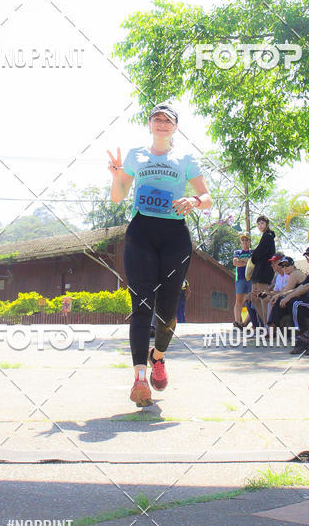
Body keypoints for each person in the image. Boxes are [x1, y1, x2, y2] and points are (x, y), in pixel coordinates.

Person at [108, 103, 212, 406]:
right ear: (150, 124)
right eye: (157, 119)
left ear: (175, 127)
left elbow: (207, 197)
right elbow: (118, 196)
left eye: (168, 120)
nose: (162, 123)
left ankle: (158, 357)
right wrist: (116, 176)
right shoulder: (136, 155)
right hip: (141, 233)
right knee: (141, 305)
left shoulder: (186, 158)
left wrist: (194, 201)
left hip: (174, 237)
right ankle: (140, 379)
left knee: (167, 310)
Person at [266, 256, 306, 329]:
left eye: (287, 265)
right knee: (275, 300)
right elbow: (285, 291)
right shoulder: (291, 274)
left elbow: (286, 291)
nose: (284, 268)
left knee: (277, 301)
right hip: (298, 299)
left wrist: (275, 296)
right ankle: (272, 327)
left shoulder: (295, 274)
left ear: (292, 265)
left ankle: (271, 328)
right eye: (282, 266)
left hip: (302, 301)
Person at [250, 215, 276, 324]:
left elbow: (259, 253)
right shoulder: (264, 236)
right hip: (257, 271)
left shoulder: (268, 236)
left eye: (262, 223)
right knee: (254, 298)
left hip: (264, 270)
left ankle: (269, 324)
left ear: (267, 224)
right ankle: (265, 323)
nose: (260, 226)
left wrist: (253, 256)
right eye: (258, 224)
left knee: (263, 297)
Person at [232, 233, 253, 329]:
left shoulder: (253, 252)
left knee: (252, 300)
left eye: (246, 240)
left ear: (249, 241)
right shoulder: (237, 252)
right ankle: (237, 322)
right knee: (239, 301)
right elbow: (235, 262)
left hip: (251, 279)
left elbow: (254, 263)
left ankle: (248, 322)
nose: (244, 242)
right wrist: (247, 262)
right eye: (242, 240)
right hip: (240, 278)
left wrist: (243, 261)